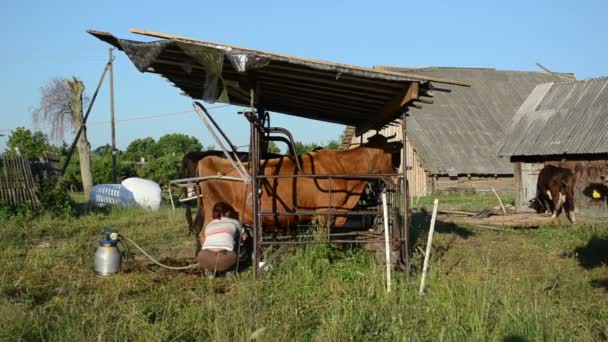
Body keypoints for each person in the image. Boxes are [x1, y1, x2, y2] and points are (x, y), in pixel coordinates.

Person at [197, 202, 247, 277]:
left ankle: (210, 271)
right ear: (228, 212)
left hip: (203, 257)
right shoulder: (235, 222)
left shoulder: (209, 224)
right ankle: (230, 270)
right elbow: (245, 237)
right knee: (240, 246)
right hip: (225, 258)